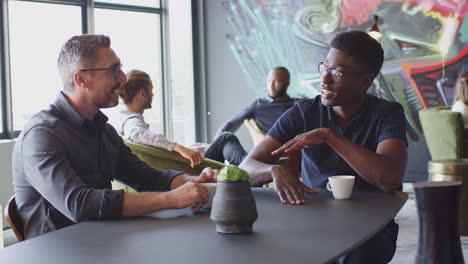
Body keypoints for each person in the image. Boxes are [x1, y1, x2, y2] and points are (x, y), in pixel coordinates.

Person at [12, 34, 217, 240]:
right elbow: (79, 204)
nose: (123, 78)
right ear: (81, 79)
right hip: (54, 253)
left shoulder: (104, 131)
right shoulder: (41, 134)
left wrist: (193, 182)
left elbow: (149, 178)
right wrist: (169, 199)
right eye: (113, 70)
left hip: (102, 243)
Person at [240, 31, 408, 263]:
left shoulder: (387, 114)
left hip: (370, 227)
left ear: (365, 81)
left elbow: (389, 178)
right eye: (324, 68)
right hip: (314, 222)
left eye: (337, 72)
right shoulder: (303, 113)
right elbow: (245, 168)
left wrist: (330, 136)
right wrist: (273, 170)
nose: (325, 79)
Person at [204, 66, 300, 165]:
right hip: (262, 155)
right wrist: (213, 145)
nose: (271, 86)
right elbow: (231, 124)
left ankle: (252, 166)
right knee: (225, 137)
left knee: (225, 138)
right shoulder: (259, 104)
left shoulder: (298, 105)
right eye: (269, 81)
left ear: (287, 83)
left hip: (283, 155)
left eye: (277, 81)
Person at [118, 69, 204, 168]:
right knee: (224, 138)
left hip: (178, 166)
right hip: (188, 168)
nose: (152, 94)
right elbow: (136, 133)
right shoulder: (131, 121)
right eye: (151, 89)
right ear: (142, 93)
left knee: (224, 137)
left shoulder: (124, 120)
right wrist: (179, 148)